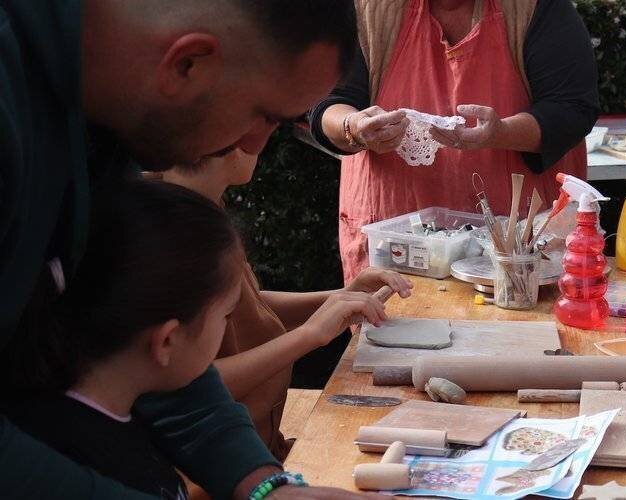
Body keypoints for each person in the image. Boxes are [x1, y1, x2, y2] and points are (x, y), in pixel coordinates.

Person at [0, 0, 373, 497]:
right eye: (265, 116)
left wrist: (266, 488)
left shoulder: (109, 115)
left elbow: (154, 353)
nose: (256, 145)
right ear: (188, 62)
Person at [306, 0, 599, 282]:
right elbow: (327, 105)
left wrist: (501, 133)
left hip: (515, 254)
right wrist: (355, 126)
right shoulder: (367, 9)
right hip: (395, 245)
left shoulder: (535, 7)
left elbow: (572, 108)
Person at [161, 150, 414, 461]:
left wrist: (342, 296)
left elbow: (246, 306)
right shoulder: (169, 235)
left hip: (261, 449)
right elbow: (182, 387)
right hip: (220, 471)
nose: (263, 140)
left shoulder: (203, 207)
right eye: (264, 120)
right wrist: (308, 336)